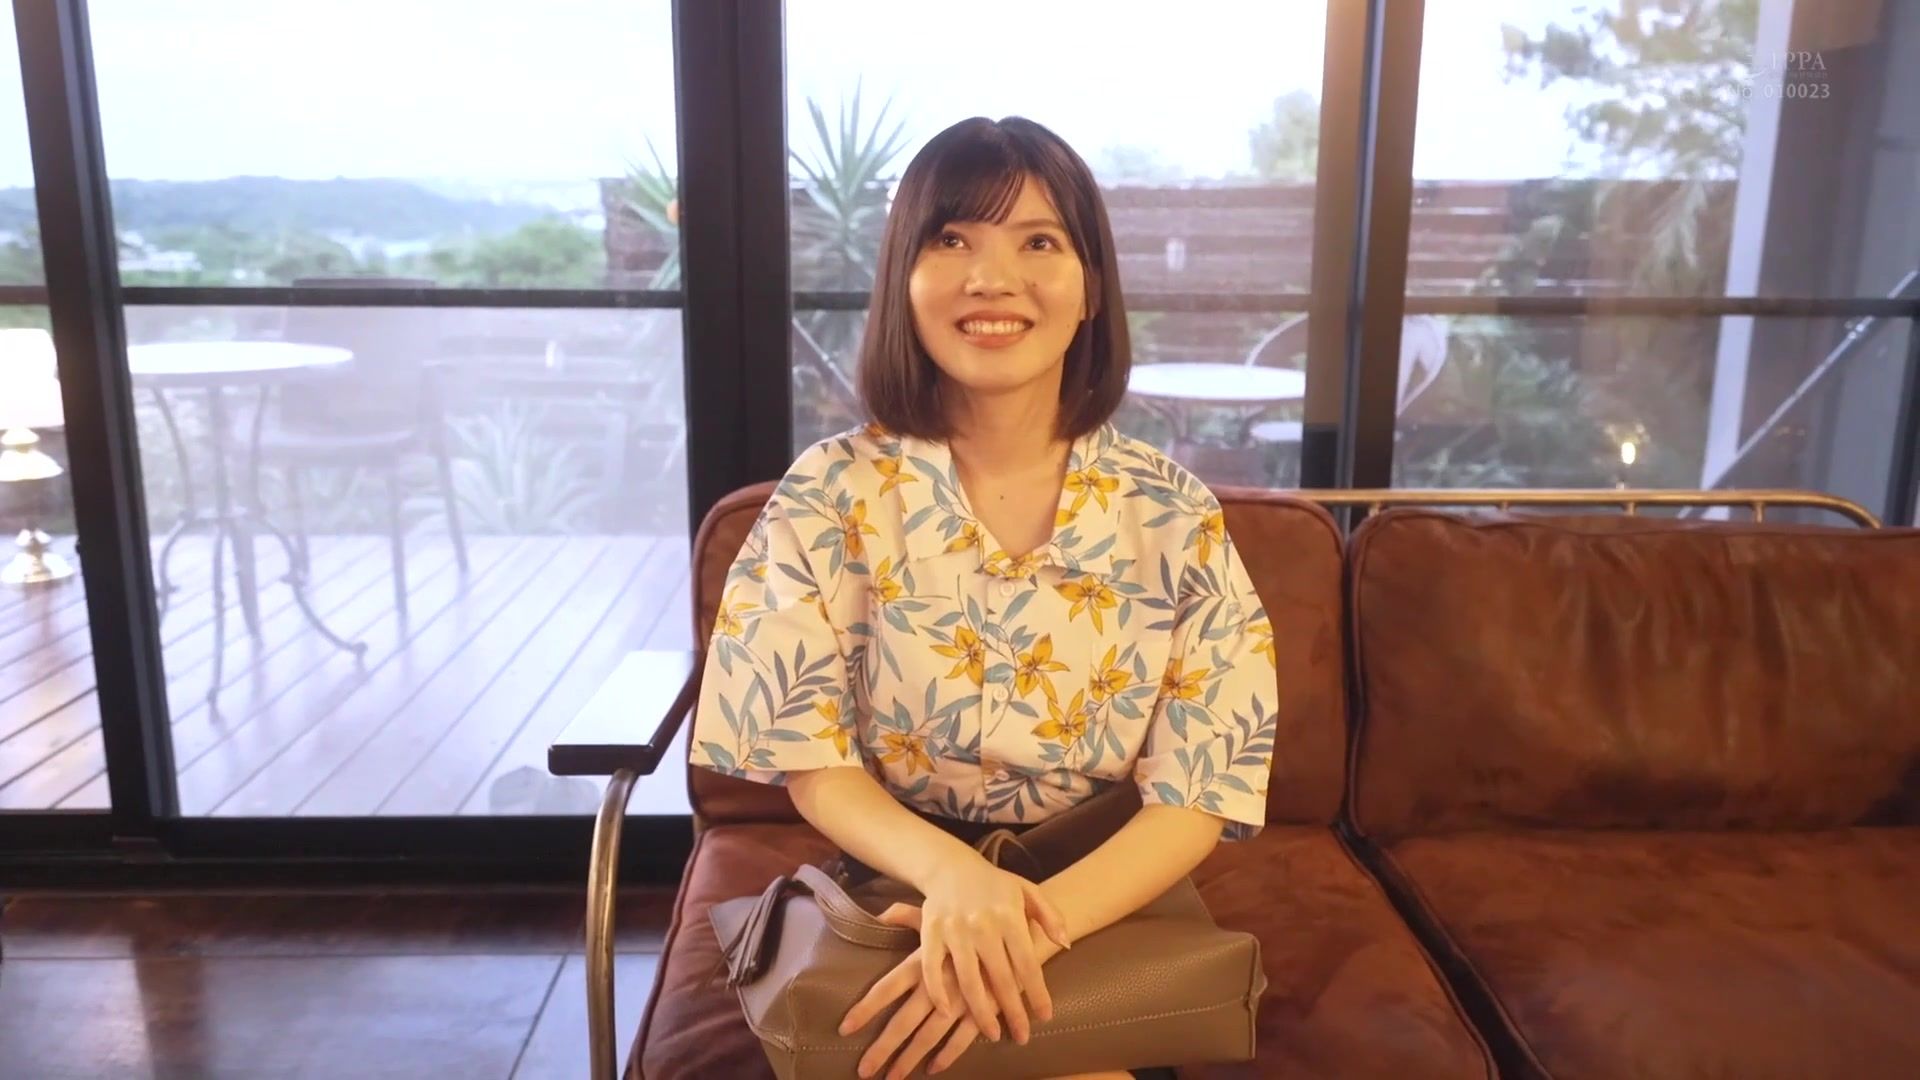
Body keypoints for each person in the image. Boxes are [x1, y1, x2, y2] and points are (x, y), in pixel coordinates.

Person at [689, 115, 1278, 1080]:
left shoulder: (1175, 514)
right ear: (904, 279)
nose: (991, 278)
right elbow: (810, 758)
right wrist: (957, 882)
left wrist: (1020, 933)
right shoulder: (829, 494)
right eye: (952, 239)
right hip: (903, 876)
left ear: (1091, 288)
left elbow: (1197, 795)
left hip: (1099, 896)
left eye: (1038, 242)